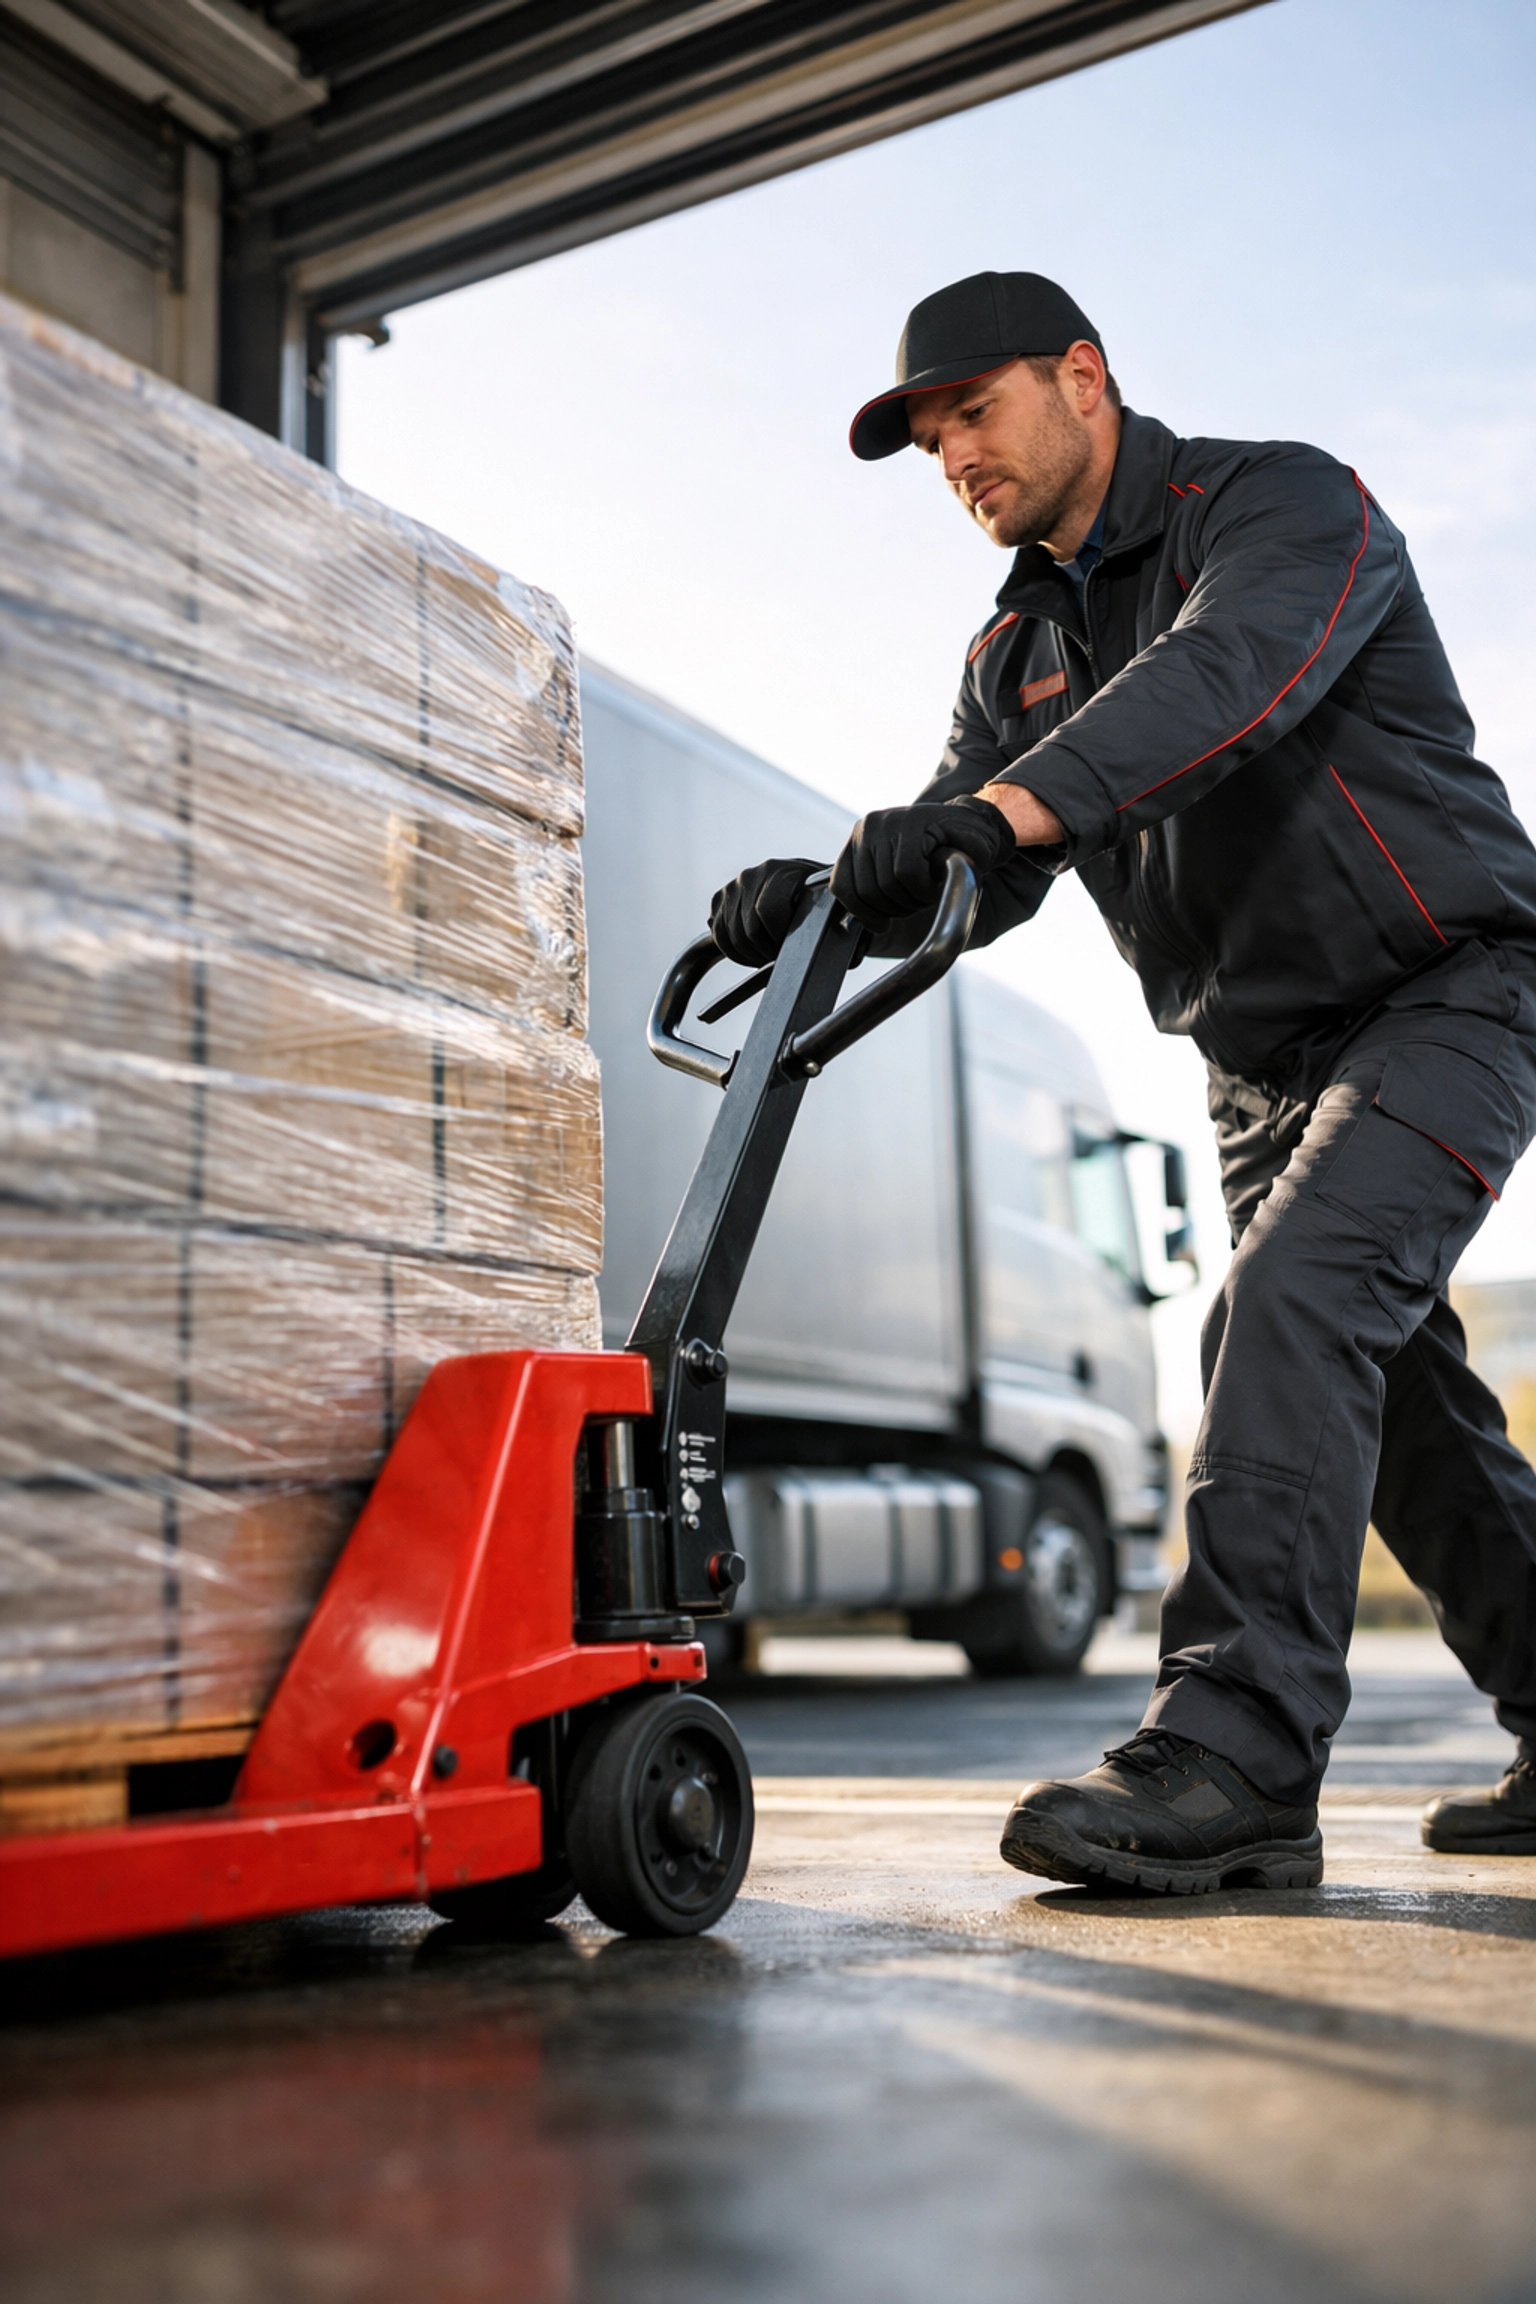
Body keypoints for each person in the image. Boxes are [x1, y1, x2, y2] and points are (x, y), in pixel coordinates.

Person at [709, 269, 1536, 1893]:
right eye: (931, 440)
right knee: (1402, 1404)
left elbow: (1226, 680)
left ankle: (1236, 1753)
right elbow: (975, 847)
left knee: (1289, 1305)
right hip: (1256, 1063)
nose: (956, 455)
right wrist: (823, 897)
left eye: (974, 410)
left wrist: (999, 815)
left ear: (1083, 377)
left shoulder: (1280, 509)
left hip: (1450, 988)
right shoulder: (1014, 649)